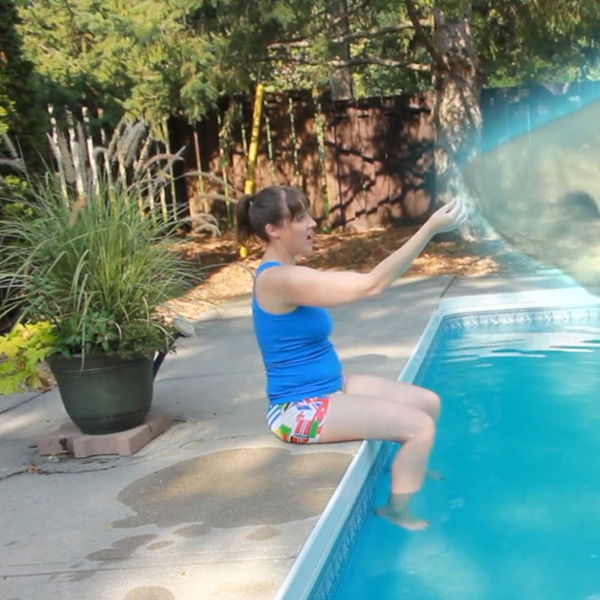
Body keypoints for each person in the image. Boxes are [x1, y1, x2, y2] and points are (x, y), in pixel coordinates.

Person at [236, 186, 468, 530]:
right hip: (298, 410)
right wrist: (429, 229)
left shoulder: (287, 273)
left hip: (331, 385)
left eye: (308, 214)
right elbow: (370, 285)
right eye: (300, 218)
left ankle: (407, 465)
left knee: (428, 403)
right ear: (273, 229)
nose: (312, 223)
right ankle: (396, 510)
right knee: (419, 427)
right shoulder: (278, 279)